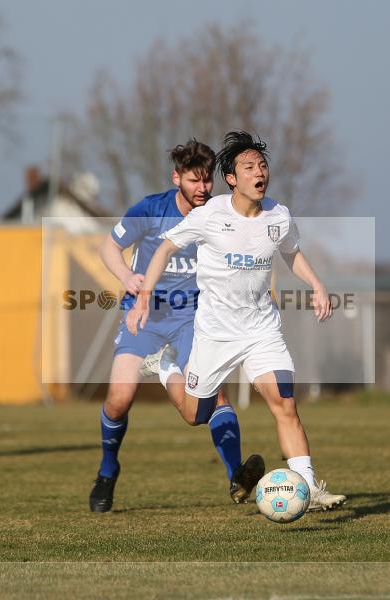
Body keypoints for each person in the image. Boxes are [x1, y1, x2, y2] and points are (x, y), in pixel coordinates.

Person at [127, 131, 346, 512]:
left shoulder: (278, 216)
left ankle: (308, 490)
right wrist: (144, 293)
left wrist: (317, 285)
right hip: (215, 333)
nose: (259, 172)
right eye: (249, 167)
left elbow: (292, 253)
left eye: (262, 165)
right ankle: (165, 367)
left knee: (285, 403)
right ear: (231, 178)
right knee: (196, 414)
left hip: (262, 328)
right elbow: (164, 247)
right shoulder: (209, 216)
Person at [90, 140, 264, 513]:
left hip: (195, 320)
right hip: (145, 315)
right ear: (177, 178)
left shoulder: (221, 214)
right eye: (194, 180)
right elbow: (107, 248)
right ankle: (108, 469)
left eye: (207, 181)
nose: (202, 189)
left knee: (205, 405)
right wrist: (128, 278)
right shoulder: (152, 210)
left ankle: (237, 476)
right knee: (119, 399)